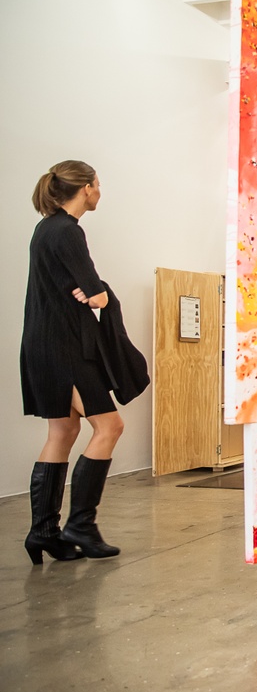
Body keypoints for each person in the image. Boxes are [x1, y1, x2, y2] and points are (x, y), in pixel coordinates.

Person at [21, 160, 128, 562]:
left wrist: (93, 291)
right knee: (110, 425)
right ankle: (81, 524)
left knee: (62, 433)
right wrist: (98, 292)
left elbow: (85, 290)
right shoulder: (68, 231)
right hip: (66, 348)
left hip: (41, 344)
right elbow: (95, 294)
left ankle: (43, 532)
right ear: (86, 188)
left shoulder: (44, 230)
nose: (100, 191)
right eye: (98, 184)